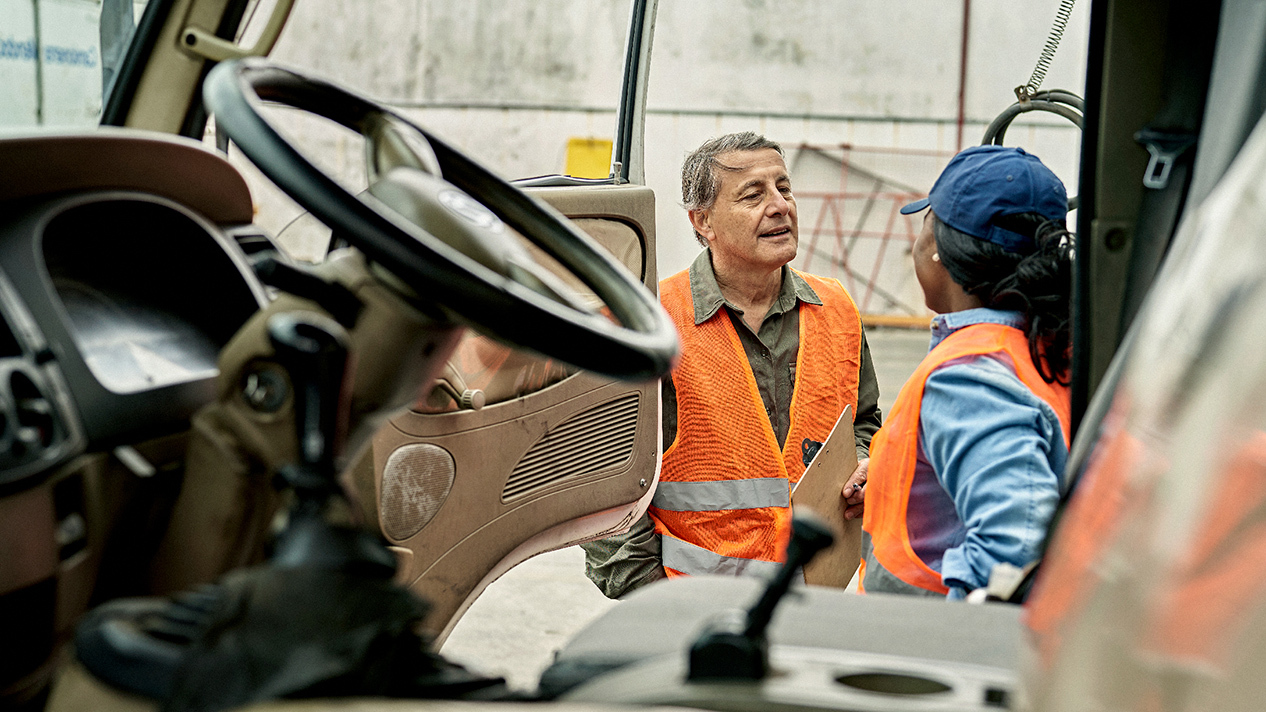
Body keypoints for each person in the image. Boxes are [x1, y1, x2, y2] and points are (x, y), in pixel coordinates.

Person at [582, 132, 881, 597]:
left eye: (784, 188)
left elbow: (863, 421)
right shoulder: (651, 324)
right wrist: (649, 595)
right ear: (703, 222)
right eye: (753, 195)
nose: (781, 206)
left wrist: (864, 462)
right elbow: (604, 481)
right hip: (693, 608)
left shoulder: (837, 309)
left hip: (819, 597)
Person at [854, 144, 1073, 599]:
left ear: (940, 250)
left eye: (925, 225)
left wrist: (952, 635)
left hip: (925, 645)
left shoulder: (970, 376)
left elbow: (1011, 561)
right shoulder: (1042, 344)